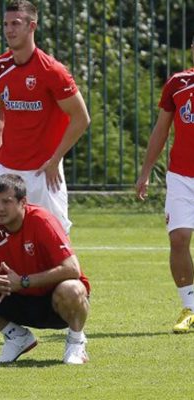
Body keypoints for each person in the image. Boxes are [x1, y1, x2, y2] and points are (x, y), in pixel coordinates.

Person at [0, 0, 90, 342]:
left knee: (56, 239)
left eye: (16, 23)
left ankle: (67, 317)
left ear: (32, 26)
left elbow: (81, 118)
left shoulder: (53, 71)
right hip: (6, 167)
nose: (10, 29)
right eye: (7, 24)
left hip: (44, 172)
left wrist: (56, 158)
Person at [0, 174, 90, 364]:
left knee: (72, 288)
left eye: (7, 202)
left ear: (23, 202)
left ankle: (76, 342)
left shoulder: (42, 220)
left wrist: (23, 281)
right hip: (13, 296)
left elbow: (72, 269)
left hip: (53, 303)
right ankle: (16, 336)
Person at [136, 34, 194, 333]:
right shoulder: (178, 83)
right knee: (179, 239)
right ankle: (190, 306)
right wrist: (146, 171)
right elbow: (161, 130)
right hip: (181, 176)